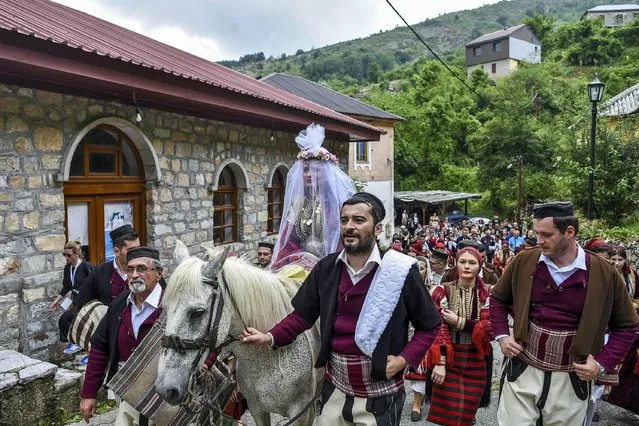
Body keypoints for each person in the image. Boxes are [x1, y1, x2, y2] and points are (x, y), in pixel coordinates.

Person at [241, 192, 441, 426]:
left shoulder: (400, 271)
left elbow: (429, 325)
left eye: (359, 220)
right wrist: (269, 336)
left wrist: (403, 360)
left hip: (381, 394)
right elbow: (301, 317)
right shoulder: (326, 268)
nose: (349, 226)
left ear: (377, 229)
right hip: (335, 390)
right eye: (345, 220)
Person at [490, 201, 639, 425]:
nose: (538, 240)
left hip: (572, 378)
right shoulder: (524, 260)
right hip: (522, 369)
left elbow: (628, 326)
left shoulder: (604, 273)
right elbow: (498, 299)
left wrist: (600, 365)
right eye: (536, 233)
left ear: (570, 232)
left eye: (546, 235)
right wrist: (502, 336)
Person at [80, 246, 164, 425]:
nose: (134, 275)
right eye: (129, 269)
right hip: (127, 391)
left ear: (159, 273)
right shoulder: (119, 304)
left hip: (165, 396)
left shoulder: (171, 306)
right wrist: (89, 393)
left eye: (141, 268)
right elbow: (99, 348)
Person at [425, 247, 493, 426]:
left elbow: (488, 328)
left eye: (472, 262)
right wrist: (440, 362)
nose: (467, 266)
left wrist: (458, 321)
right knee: (447, 416)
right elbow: (437, 326)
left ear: (480, 265)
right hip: (449, 357)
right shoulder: (441, 290)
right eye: (463, 262)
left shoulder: (489, 292)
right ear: (456, 263)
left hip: (477, 357)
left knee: (467, 414)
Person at [272, 123, 355, 267]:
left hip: (335, 266)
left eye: (315, 170)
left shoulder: (340, 204)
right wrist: (300, 258)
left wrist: (325, 264)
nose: (309, 175)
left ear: (328, 173)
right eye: (305, 170)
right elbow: (289, 240)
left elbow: (345, 240)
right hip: (302, 266)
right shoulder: (299, 204)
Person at [58, 225, 140, 363]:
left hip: (139, 338)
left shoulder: (147, 270)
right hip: (109, 338)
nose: (137, 253)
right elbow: (82, 302)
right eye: (131, 250)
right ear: (116, 251)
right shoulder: (100, 272)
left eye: (138, 248)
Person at [606, 245, 639, 416]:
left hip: (627, 320)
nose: (617, 263)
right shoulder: (605, 273)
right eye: (614, 260)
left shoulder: (632, 275)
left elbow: (637, 295)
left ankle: (614, 388)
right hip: (607, 321)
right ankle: (604, 388)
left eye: (620, 260)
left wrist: (632, 305)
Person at [52, 240, 95, 354]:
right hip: (76, 300)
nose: (66, 257)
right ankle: (78, 345)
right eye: (64, 255)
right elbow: (66, 287)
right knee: (67, 320)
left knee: (68, 319)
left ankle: (80, 345)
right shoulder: (68, 268)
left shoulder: (87, 266)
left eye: (69, 255)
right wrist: (56, 301)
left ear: (77, 254)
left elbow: (97, 284)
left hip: (88, 301)